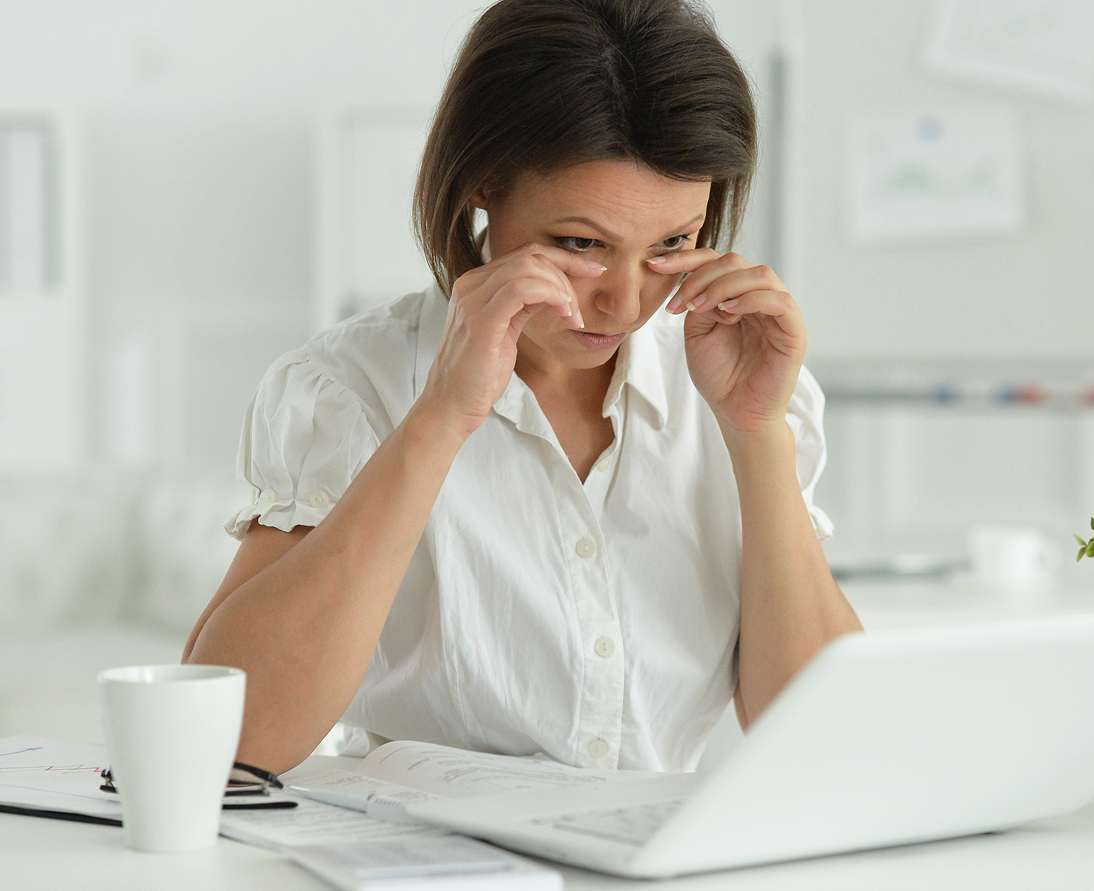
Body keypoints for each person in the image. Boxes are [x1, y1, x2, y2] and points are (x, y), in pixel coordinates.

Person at [183, 0, 861, 775]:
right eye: (581, 244)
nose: (624, 301)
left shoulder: (742, 390)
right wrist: (440, 419)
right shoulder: (350, 388)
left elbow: (828, 748)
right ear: (480, 185)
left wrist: (756, 434)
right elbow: (223, 741)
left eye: (673, 243)